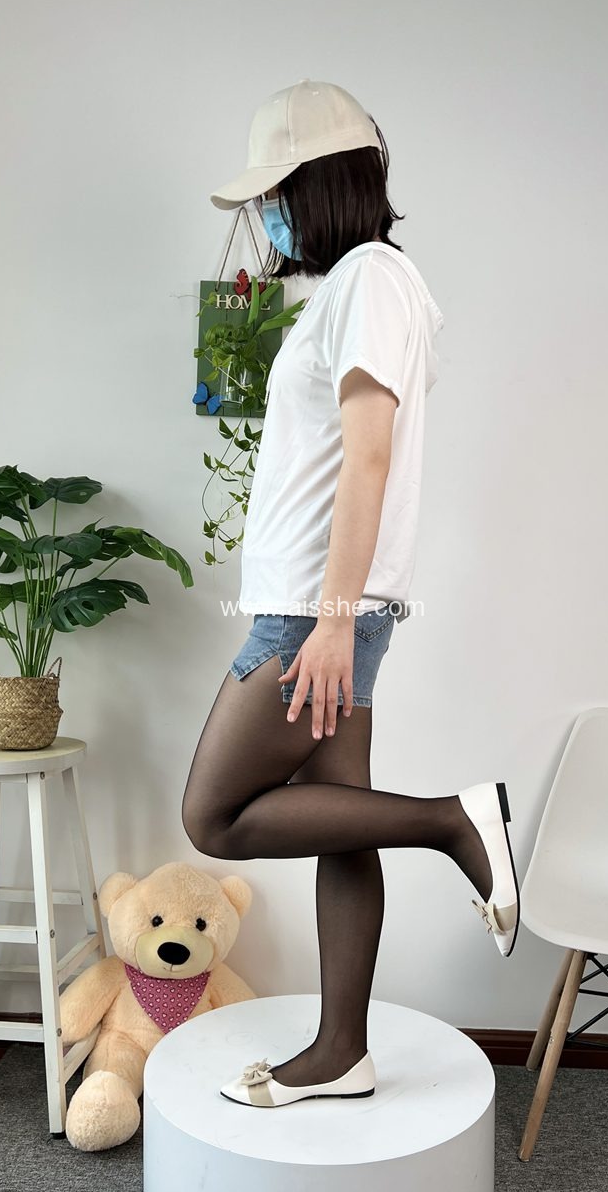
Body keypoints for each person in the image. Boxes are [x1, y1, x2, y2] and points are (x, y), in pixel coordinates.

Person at [182, 79, 519, 1109]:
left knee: (213, 815)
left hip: (313, 610)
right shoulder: (355, 287)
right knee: (341, 825)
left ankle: (456, 821)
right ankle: (342, 1051)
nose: (266, 215)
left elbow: (368, 458)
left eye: (275, 194)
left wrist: (329, 622)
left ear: (320, 183)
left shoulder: (371, 279)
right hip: (327, 606)